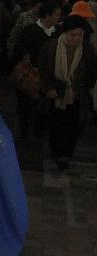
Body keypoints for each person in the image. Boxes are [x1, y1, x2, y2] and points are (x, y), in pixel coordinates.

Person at [38, 15, 96, 171]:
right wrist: (48, 88)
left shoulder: (87, 50)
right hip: (55, 93)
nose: (76, 38)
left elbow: (91, 72)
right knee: (56, 123)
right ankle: (56, 152)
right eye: (72, 35)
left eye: (80, 35)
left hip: (76, 95)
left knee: (72, 126)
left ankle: (65, 156)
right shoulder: (51, 47)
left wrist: (85, 88)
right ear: (65, 33)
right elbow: (43, 70)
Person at [13, 0, 62, 138]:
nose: (59, 18)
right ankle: (25, 133)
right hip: (31, 76)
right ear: (47, 14)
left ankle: (38, 134)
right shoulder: (31, 30)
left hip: (49, 77)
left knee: (44, 106)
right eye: (57, 14)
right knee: (27, 106)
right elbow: (19, 48)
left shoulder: (59, 32)